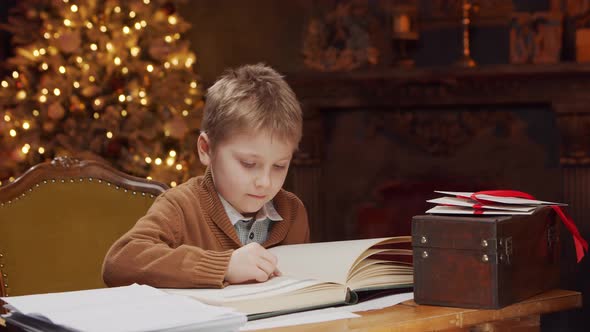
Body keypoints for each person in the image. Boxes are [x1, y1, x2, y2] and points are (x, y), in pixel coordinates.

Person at [102, 63, 310, 288]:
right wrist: (224, 266)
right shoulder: (181, 206)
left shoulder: (292, 211)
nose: (265, 182)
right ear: (206, 149)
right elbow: (119, 262)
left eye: (279, 166)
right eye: (249, 164)